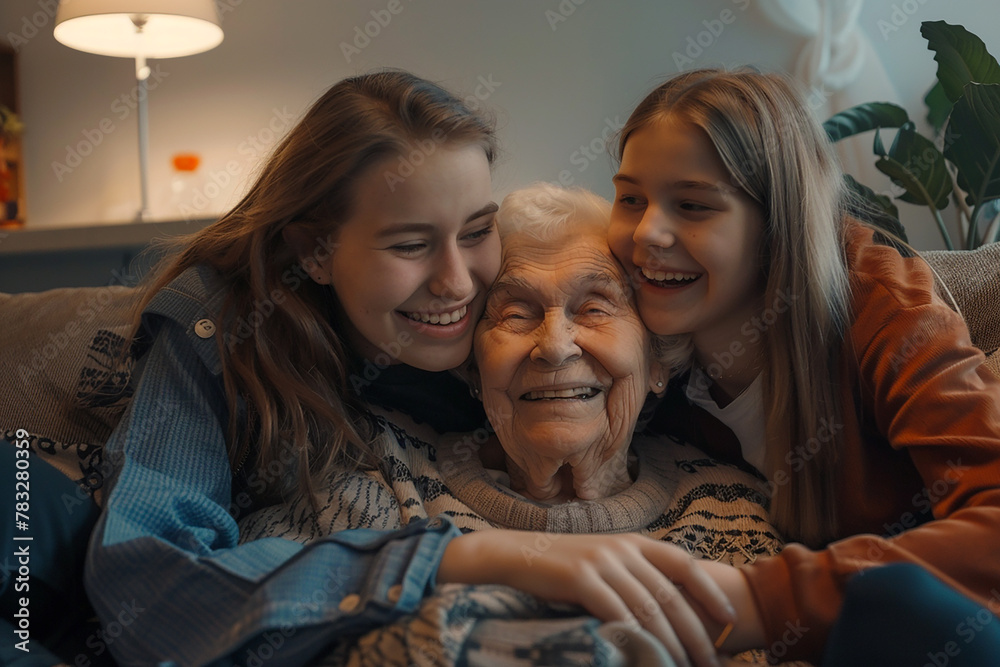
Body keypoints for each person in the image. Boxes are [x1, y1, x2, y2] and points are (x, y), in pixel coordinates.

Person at [84, 71, 734, 667]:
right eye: (411, 244)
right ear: (315, 249)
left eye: (477, 230)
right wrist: (462, 554)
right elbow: (150, 583)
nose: (457, 283)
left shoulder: (500, 319)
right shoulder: (220, 332)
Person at [239, 182, 783, 666]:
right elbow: (244, 625)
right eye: (516, 314)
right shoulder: (375, 471)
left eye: (594, 308)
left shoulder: (733, 513)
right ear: (473, 367)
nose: (553, 347)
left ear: (657, 360)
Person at [606, 66, 1000, 663]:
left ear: (776, 224)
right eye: (629, 198)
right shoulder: (627, 329)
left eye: (692, 205)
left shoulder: (882, 307)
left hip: (945, 631)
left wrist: (760, 601)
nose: (646, 233)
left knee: (898, 601)